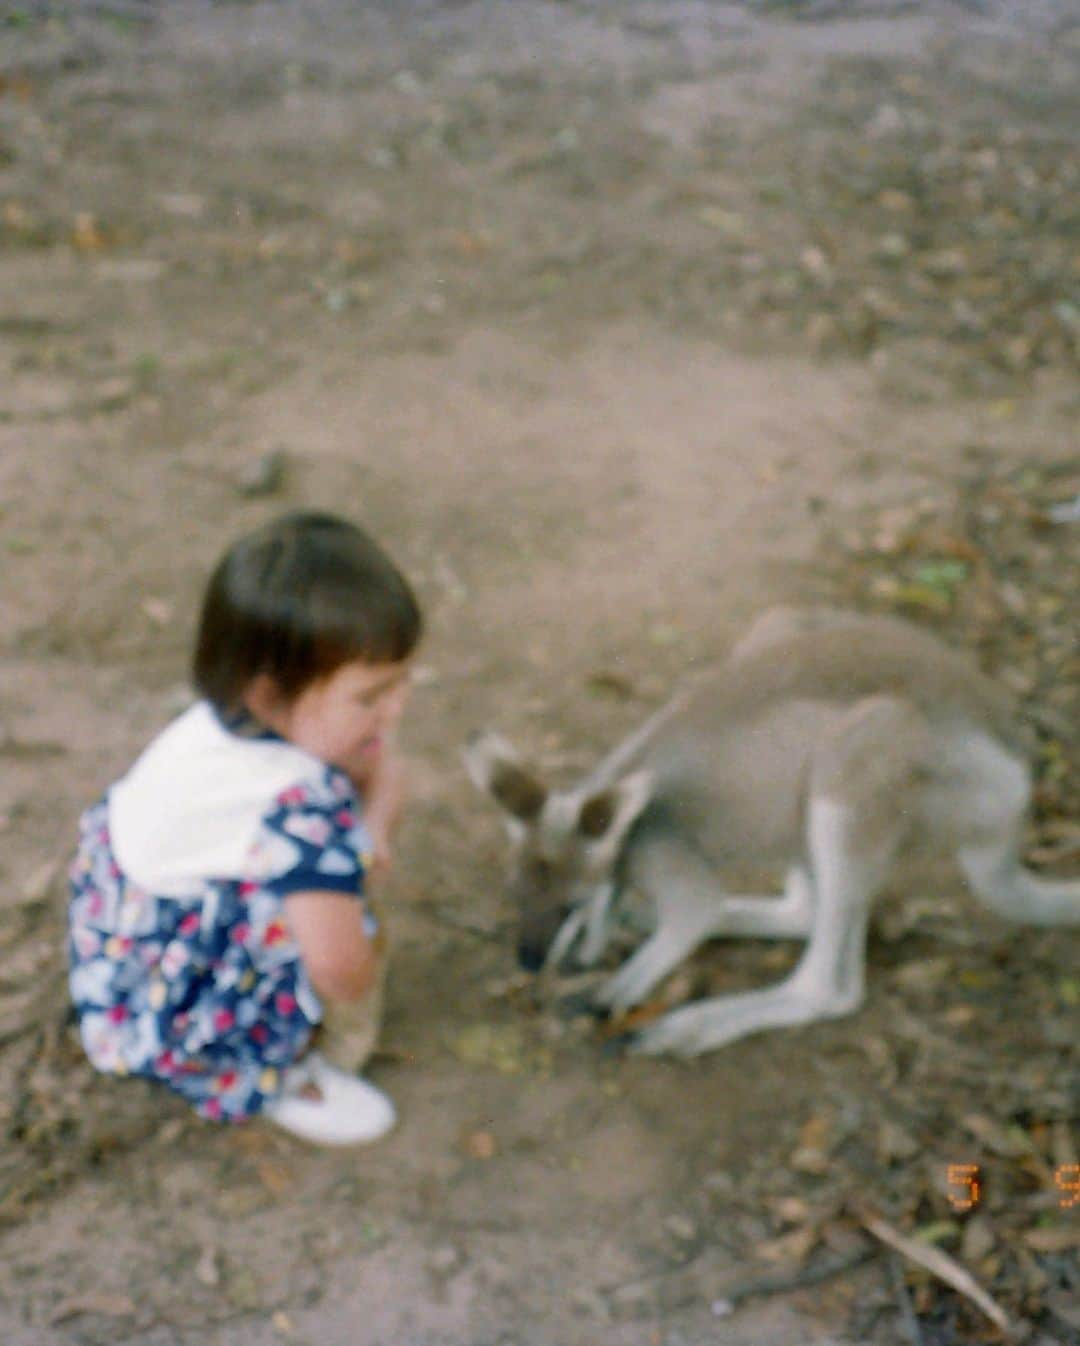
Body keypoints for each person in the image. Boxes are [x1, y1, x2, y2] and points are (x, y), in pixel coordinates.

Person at [67, 511, 421, 1145]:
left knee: (330, 861)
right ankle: (276, 1072)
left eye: (400, 684)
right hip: (165, 1004)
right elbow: (341, 967)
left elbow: (378, 766)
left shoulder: (217, 727)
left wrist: (371, 817)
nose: (396, 710)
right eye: (370, 697)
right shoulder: (298, 813)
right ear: (269, 697)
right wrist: (361, 892)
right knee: (334, 913)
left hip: (119, 937)